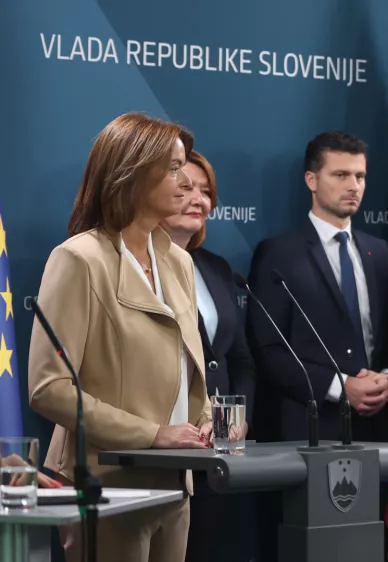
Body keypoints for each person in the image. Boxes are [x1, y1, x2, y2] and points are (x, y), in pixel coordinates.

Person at [27, 112, 214, 562]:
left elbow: (187, 367)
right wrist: (153, 434)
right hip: (104, 483)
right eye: (173, 169)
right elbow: (48, 388)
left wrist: (207, 419)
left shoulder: (179, 262)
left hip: (175, 482)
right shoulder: (79, 259)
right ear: (132, 172)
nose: (186, 182)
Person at [246, 131, 388, 560]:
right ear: (311, 180)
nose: (354, 186)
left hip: (373, 431)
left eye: (360, 176)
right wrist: (341, 387)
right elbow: (268, 350)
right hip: (307, 434)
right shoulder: (278, 253)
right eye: (341, 175)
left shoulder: (379, 252)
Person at [158, 149, 258, 562]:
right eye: (186, 188)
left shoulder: (216, 268)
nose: (198, 199)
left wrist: (236, 419)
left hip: (215, 450)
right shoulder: (137, 267)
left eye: (206, 191)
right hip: (163, 450)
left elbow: (240, 360)